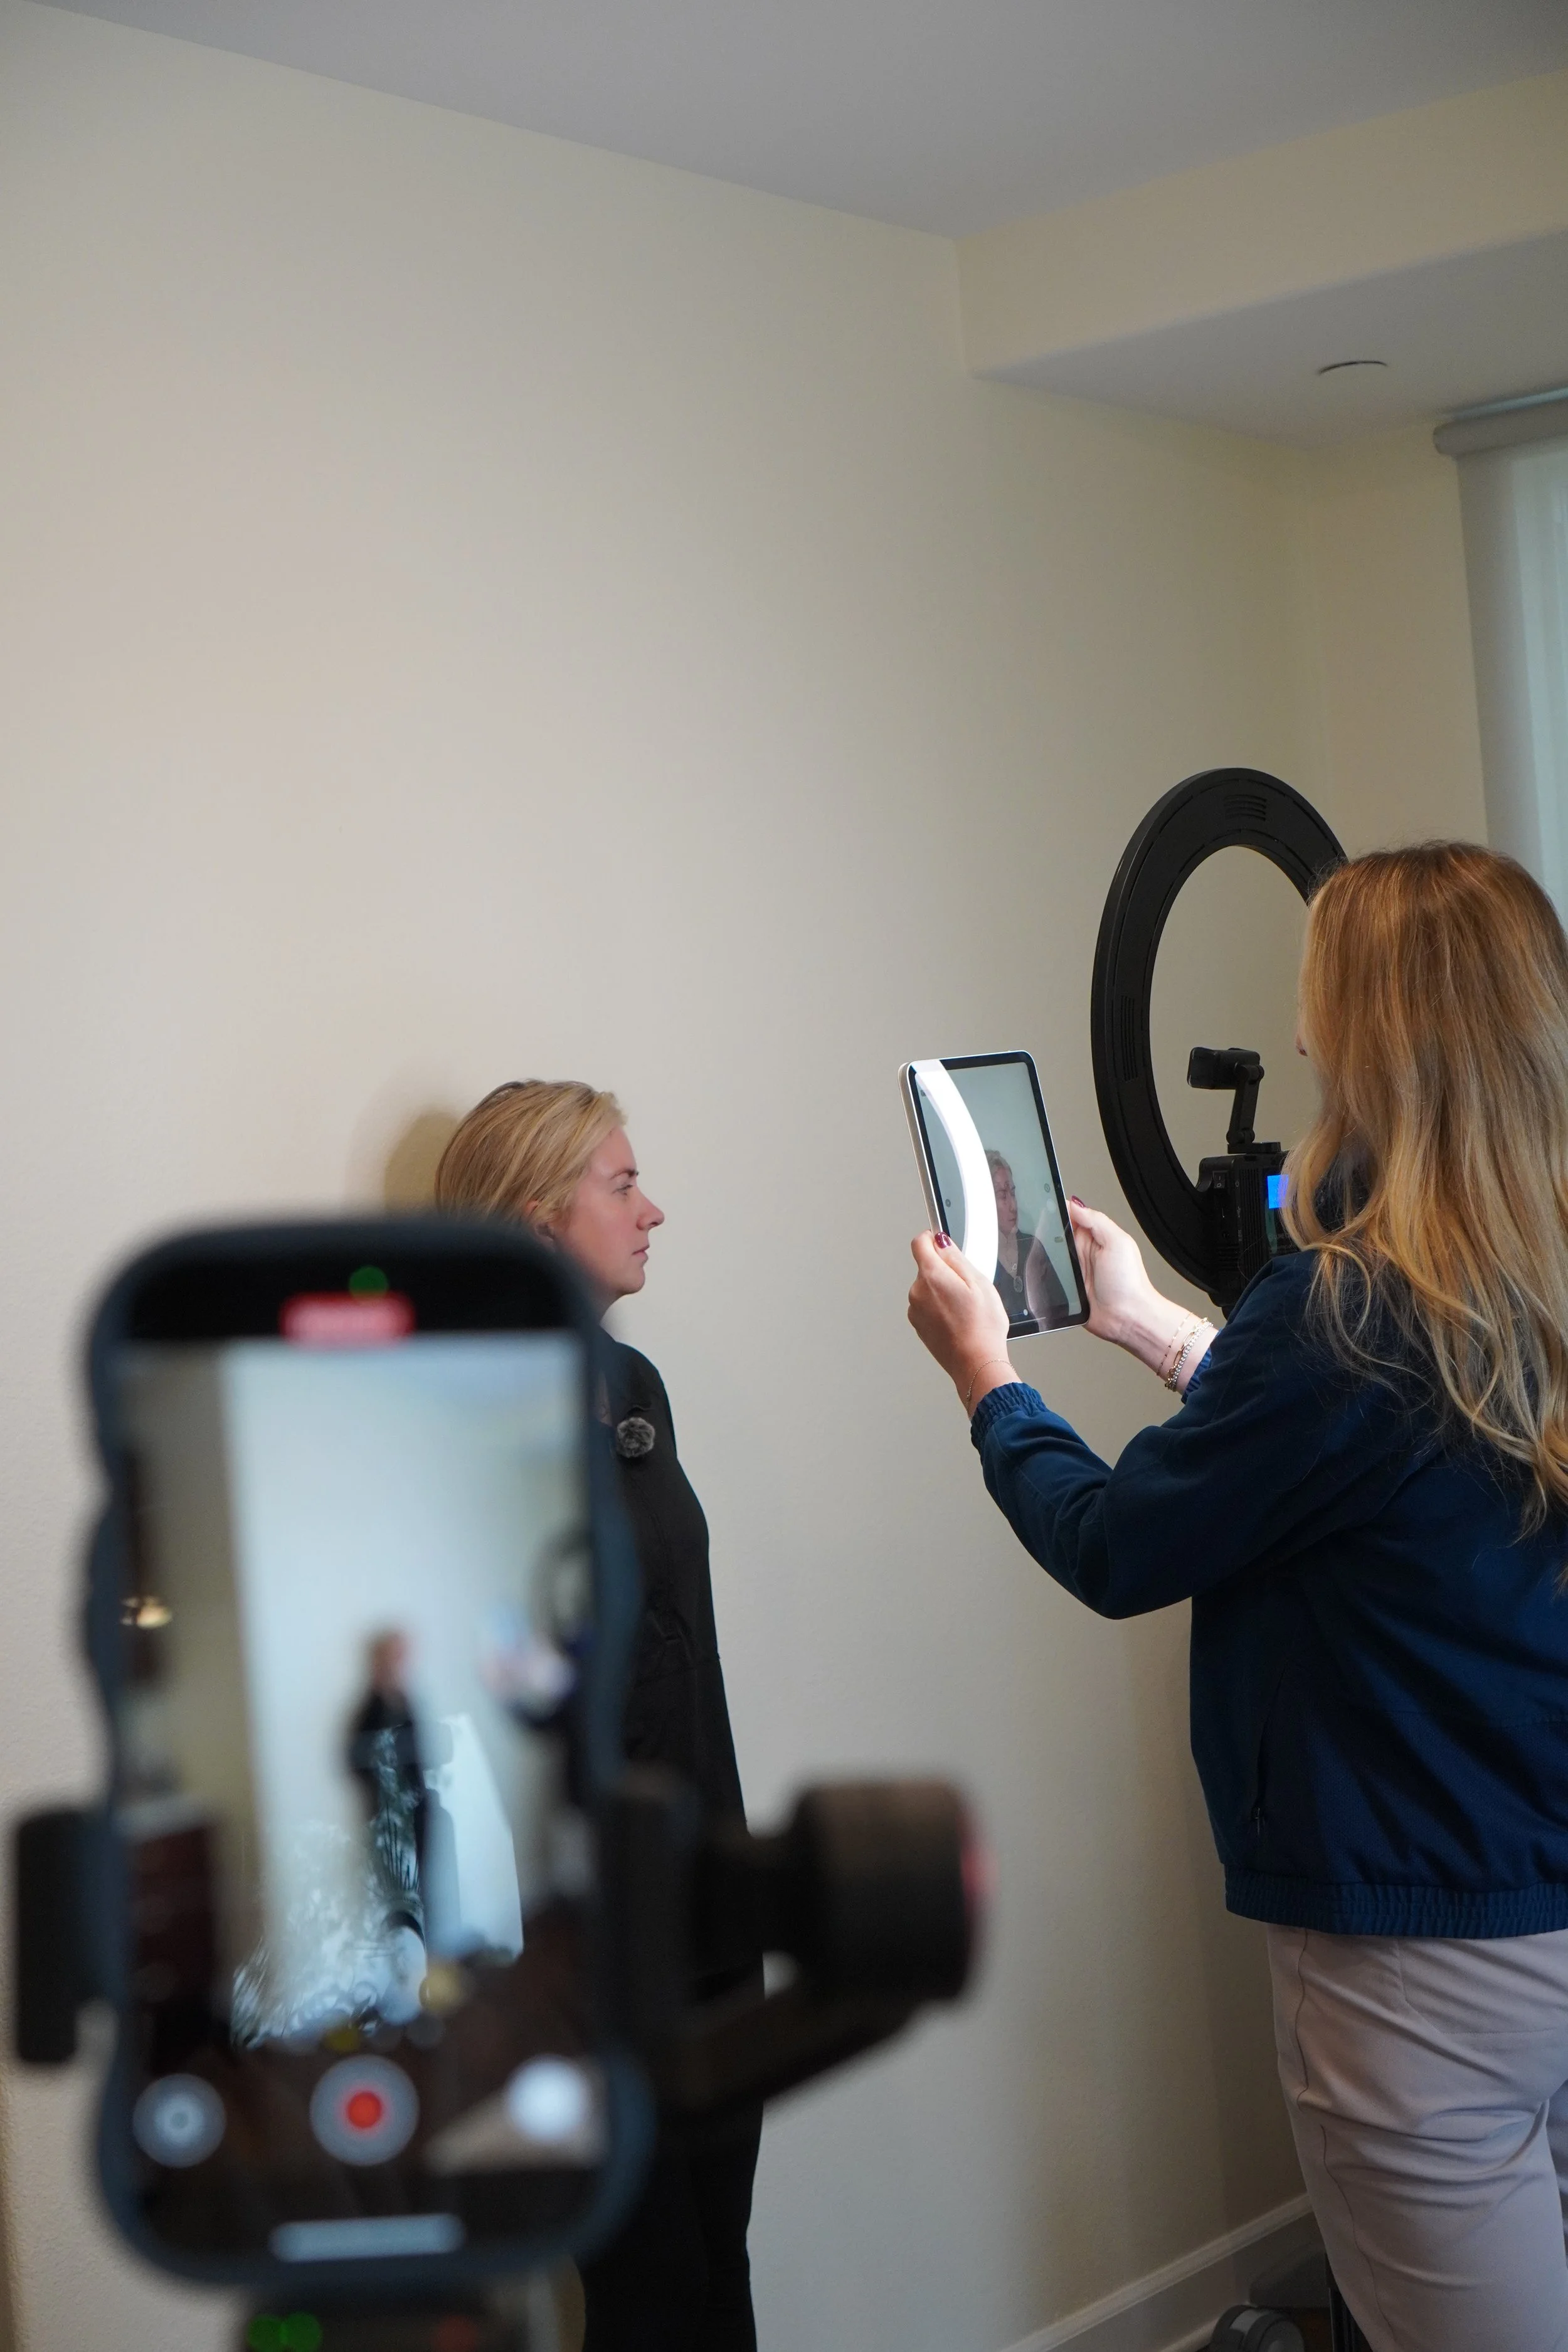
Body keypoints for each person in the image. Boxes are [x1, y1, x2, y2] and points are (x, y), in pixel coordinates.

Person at [908, 844, 1568, 2352]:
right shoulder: (1522, 1279)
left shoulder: (1342, 1307)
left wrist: (987, 1379)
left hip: (1421, 1973)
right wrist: (1156, 1329)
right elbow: (1395, 1482)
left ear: (1372, 1038)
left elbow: (1121, 1544)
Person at [435, 1079, 760, 2352]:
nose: (652, 1210)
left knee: (719, 2262)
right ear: (530, 1219)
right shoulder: (465, 1419)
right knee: (649, 2293)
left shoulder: (634, 1388)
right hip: (581, 1949)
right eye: (621, 1186)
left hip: (708, 1899)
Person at [987, 1149, 1069, 1327]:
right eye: (1003, 1195)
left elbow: (1063, 1310)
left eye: (1013, 1194)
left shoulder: (1032, 1246)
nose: (1013, 1206)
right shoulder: (981, 1260)